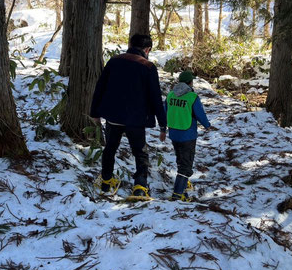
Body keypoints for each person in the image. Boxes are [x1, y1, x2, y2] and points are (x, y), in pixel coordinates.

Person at [90, 34, 167, 201]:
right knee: (140, 152)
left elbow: (99, 88)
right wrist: (163, 125)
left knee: (110, 149)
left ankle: (106, 182)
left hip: (113, 116)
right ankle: (140, 187)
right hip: (136, 119)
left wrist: (94, 113)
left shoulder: (114, 61)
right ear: (147, 50)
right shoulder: (148, 67)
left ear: (130, 44)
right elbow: (155, 98)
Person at [165, 70, 210, 201]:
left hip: (174, 133)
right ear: (190, 82)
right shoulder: (192, 97)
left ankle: (183, 186)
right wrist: (207, 125)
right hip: (187, 134)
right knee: (186, 165)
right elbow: (199, 114)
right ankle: (178, 193)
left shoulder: (170, 95)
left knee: (180, 160)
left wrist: (164, 128)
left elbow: (165, 111)